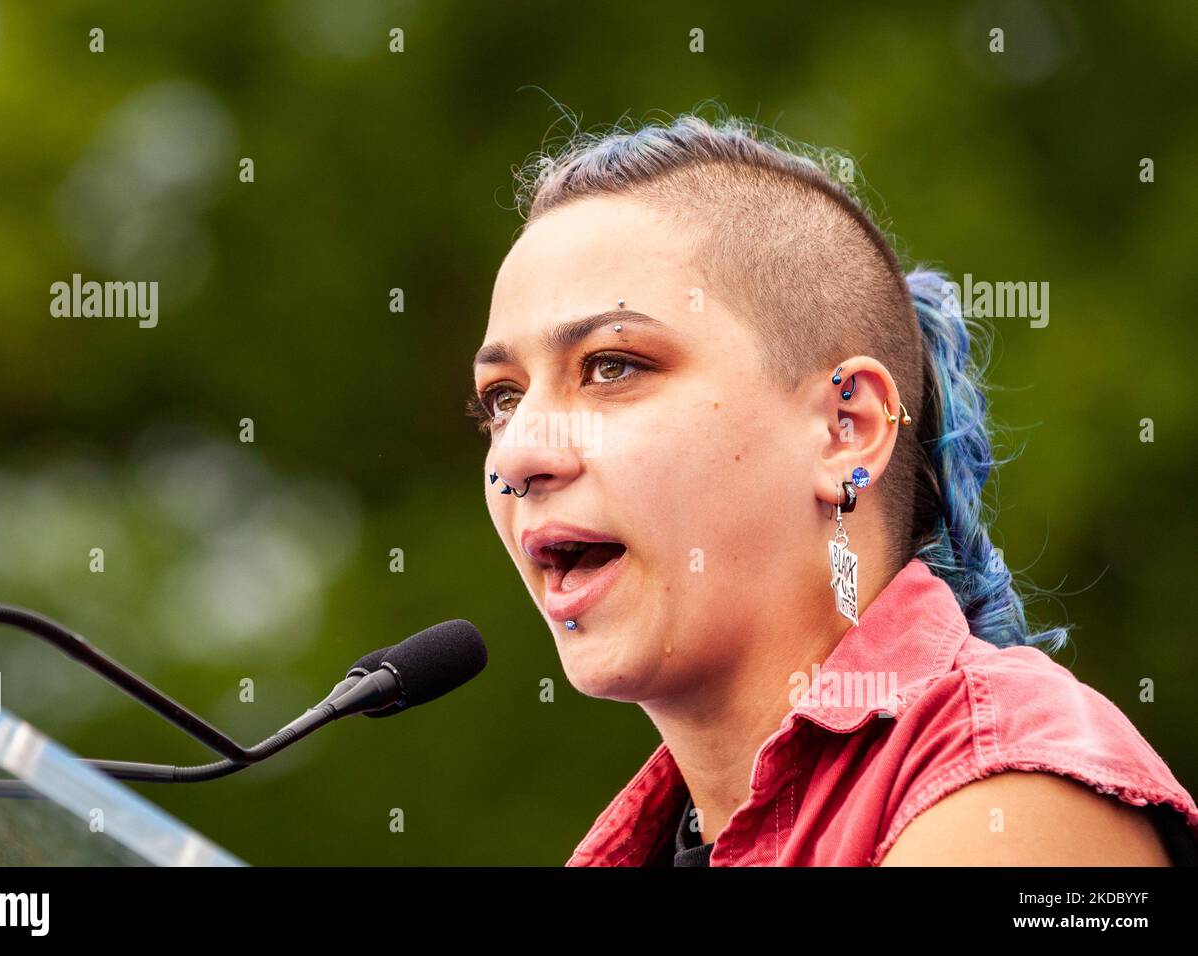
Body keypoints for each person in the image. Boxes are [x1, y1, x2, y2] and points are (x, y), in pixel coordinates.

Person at [467, 109, 1198, 866]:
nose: (518, 454)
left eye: (611, 366)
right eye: (502, 398)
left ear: (846, 428)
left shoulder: (1003, 796)